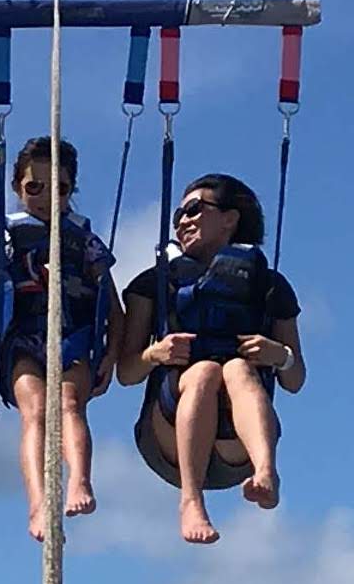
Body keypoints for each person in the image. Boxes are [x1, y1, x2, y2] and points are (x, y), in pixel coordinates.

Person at [117, 171, 303, 547]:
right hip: (167, 437)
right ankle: (190, 501)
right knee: (203, 372)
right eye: (178, 216)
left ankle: (266, 472)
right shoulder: (153, 285)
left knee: (236, 369)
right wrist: (155, 353)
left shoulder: (269, 286)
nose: (183, 221)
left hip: (237, 445)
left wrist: (278, 356)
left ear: (230, 218)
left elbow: (295, 378)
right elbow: (127, 372)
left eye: (194, 210)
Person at [0, 134, 111, 539]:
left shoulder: (83, 240)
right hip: (24, 339)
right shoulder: (7, 241)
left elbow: (111, 307)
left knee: (68, 403)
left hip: (74, 336)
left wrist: (110, 358)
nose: (47, 198)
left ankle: (79, 480)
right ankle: (39, 504)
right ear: (17, 188)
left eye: (60, 189)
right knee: (35, 411)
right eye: (35, 188)